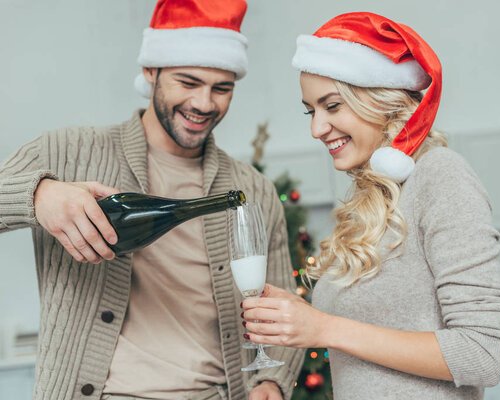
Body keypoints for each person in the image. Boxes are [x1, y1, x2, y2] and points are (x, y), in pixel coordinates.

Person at [0, 1, 304, 399]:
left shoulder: (254, 190)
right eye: (188, 82)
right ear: (150, 71)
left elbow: (281, 304)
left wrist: (270, 383)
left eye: (222, 88)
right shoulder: (65, 153)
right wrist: (39, 194)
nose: (204, 103)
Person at [241, 12, 500, 400]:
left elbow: (482, 354)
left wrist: (324, 327)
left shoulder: (440, 176)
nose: (317, 128)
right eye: (310, 110)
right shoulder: (373, 198)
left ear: (381, 99)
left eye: (332, 106)